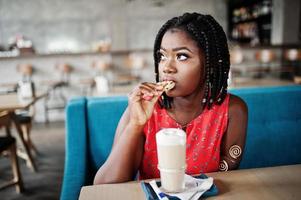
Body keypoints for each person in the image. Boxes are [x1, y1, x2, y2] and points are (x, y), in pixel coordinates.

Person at [93, 12, 248, 184]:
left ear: (210, 65)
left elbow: (230, 164)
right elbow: (103, 185)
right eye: (162, 56)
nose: (166, 67)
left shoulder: (232, 110)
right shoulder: (142, 110)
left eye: (182, 56)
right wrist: (135, 125)